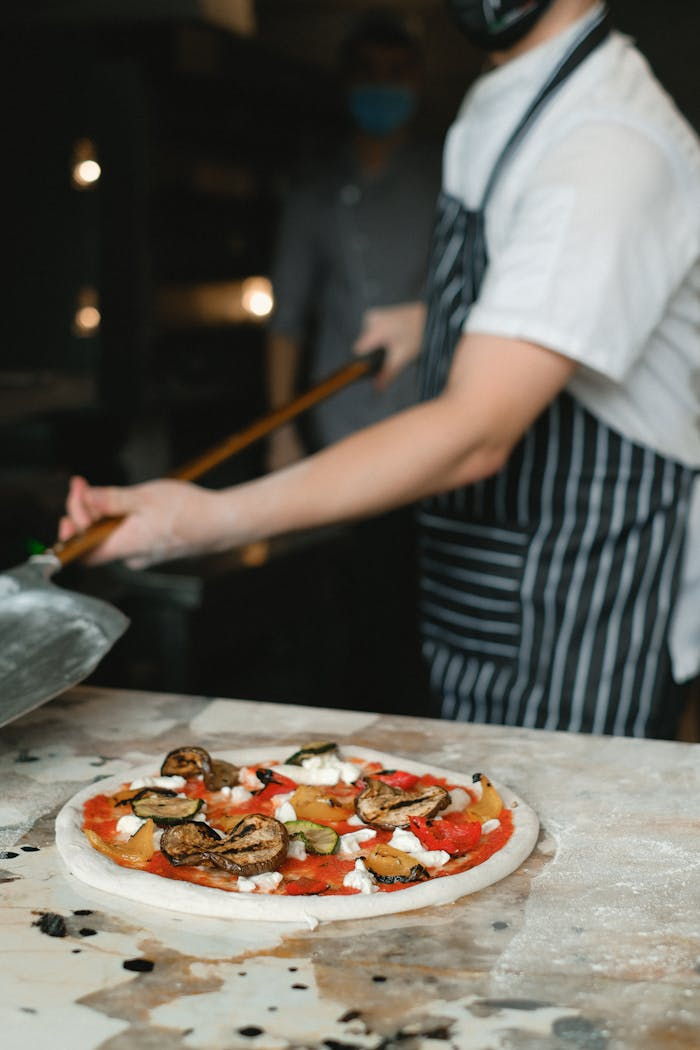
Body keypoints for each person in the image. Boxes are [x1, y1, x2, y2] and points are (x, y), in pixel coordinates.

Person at [60, 0, 700, 740]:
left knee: (565, 842)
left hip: (582, 598)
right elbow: (558, 280)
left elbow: (475, 432)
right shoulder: (517, 100)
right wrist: (434, 324)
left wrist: (201, 517)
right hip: (495, 579)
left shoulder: (606, 143)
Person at [263, 10, 442, 711]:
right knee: (341, 603)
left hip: (428, 421)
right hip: (338, 423)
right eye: (368, 73)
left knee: (411, 601)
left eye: (396, 74)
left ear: (418, 81)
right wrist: (282, 428)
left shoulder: (441, 175)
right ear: (347, 81)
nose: (381, 88)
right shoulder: (315, 185)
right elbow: (285, 315)